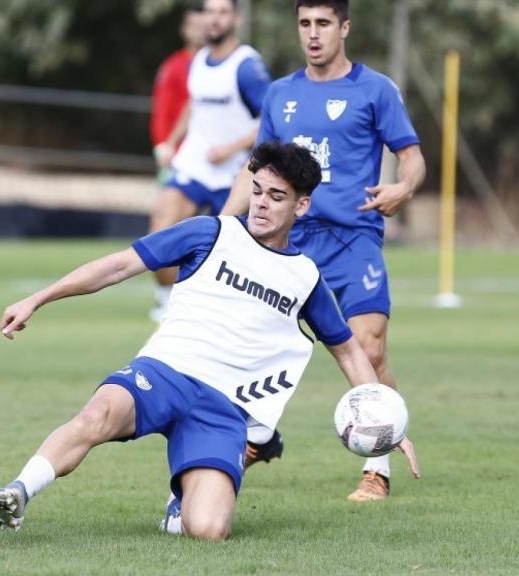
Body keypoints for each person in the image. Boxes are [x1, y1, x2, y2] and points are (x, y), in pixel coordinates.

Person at [0, 142, 420, 540]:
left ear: (302, 205)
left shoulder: (305, 277)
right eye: (258, 190)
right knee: (97, 414)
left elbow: (347, 350)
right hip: (164, 372)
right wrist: (39, 298)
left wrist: (384, 417)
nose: (262, 204)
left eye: (276, 196)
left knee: (209, 530)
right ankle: (20, 491)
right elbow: (118, 266)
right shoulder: (209, 232)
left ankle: (180, 507)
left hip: (222, 408)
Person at [219, 0, 427, 502]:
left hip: (354, 239)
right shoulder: (280, 94)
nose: (313, 35)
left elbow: (412, 157)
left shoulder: (374, 89)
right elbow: (256, 173)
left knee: (370, 348)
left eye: (323, 24)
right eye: (305, 24)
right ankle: (259, 435)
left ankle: (377, 469)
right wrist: (221, 229)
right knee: (252, 350)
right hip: (291, 244)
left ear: (345, 27)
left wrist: (403, 188)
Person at [148, 0, 271, 322]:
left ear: (236, 18)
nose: (213, 19)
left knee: (228, 256)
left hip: (234, 174)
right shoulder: (199, 60)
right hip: (194, 167)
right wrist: (171, 142)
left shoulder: (247, 66)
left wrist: (232, 148)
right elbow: (193, 104)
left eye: (221, 12)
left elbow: (271, 121)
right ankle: (168, 305)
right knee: (159, 235)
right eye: (209, 12)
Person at [149, 3, 206, 185]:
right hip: (178, 155)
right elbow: (161, 110)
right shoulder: (173, 67)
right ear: (184, 29)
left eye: (201, 26)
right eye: (193, 26)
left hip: (209, 155)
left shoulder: (218, 66)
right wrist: (163, 146)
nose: (197, 31)